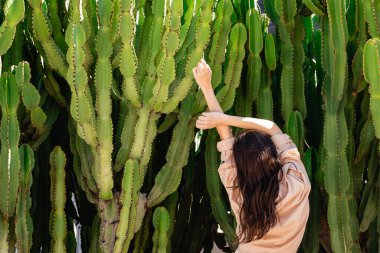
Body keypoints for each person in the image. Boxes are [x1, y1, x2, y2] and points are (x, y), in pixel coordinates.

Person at [192, 59, 311, 253]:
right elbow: (273, 128)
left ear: (241, 166)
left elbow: (225, 135)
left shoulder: (238, 190)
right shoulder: (297, 181)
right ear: (272, 155)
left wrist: (205, 86)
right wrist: (226, 119)